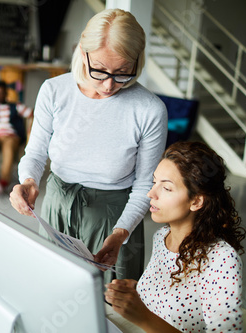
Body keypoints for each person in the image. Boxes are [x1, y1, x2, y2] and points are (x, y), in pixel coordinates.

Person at [9, 8, 168, 284]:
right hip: (57, 207)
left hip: (117, 218)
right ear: (82, 53)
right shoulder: (54, 91)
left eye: (122, 73)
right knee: (54, 286)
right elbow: (35, 152)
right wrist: (28, 180)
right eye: (100, 70)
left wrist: (121, 234)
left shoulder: (149, 109)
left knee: (111, 307)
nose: (108, 85)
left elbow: (145, 186)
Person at [105, 141, 246, 332]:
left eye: (167, 188)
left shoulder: (222, 259)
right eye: (155, 182)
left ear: (196, 201)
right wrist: (139, 292)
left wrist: (144, 317)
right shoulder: (162, 236)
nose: (150, 194)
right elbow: (174, 300)